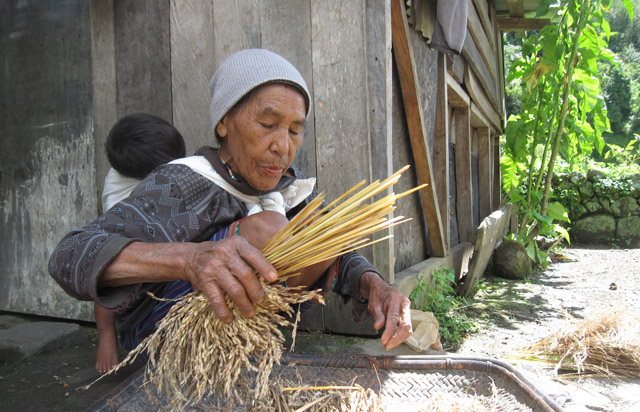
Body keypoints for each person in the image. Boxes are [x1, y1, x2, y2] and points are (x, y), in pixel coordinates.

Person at [48, 48, 412, 354]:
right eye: (267, 124)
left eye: (294, 130)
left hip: (238, 341)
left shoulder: (287, 184)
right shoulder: (182, 183)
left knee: (323, 226)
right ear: (224, 123)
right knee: (266, 230)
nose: (282, 146)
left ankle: (243, 349)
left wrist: (374, 285)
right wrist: (190, 259)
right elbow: (70, 254)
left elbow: (335, 248)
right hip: (156, 338)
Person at [95, 113, 187, 373]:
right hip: (139, 312)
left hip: (162, 277)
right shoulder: (121, 210)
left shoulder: (149, 164)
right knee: (105, 263)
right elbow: (104, 280)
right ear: (151, 176)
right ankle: (107, 336)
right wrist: (106, 337)